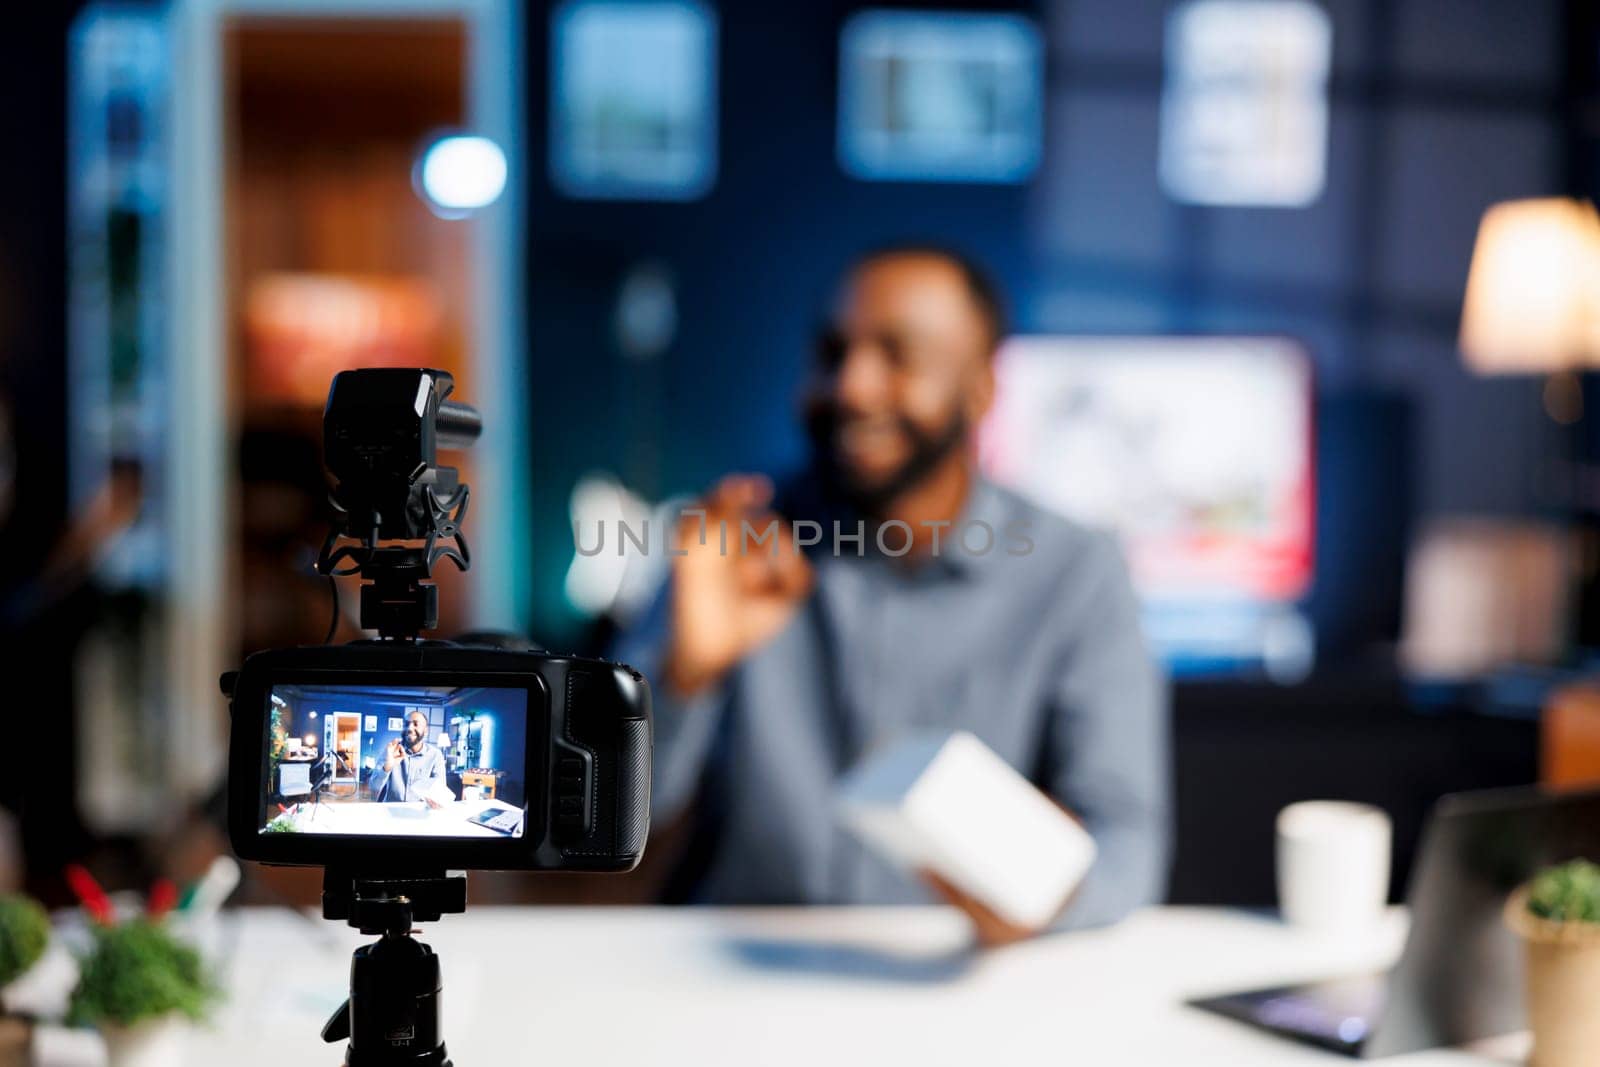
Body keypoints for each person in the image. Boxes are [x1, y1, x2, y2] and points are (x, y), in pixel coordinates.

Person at [617, 245, 1170, 943]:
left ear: (980, 388)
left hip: (950, 978)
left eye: (897, 355)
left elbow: (1128, 841)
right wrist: (680, 675)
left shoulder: (1075, 571)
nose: (852, 386)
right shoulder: (737, 544)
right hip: (734, 969)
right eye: (832, 352)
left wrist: (1047, 891)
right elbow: (609, 822)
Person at [369, 710, 448, 806]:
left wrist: (434, 799)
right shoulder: (391, 750)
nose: (410, 728)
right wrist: (387, 767)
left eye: (416, 724)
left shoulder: (435, 755)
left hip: (420, 812)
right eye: (406, 724)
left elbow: (440, 790)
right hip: (391, 811)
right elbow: (373, 787)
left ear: (426, 731)